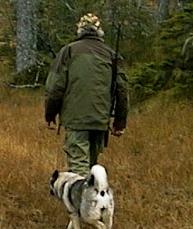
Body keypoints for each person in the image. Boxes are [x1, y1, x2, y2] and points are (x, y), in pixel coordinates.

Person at [44, 13, 129, 176]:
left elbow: (55, 88)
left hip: (76, 120)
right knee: (91, 166)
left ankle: (82, 198)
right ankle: (92, 198)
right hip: (100, 120)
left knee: (79, 167)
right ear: (100, 31)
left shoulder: (68, 51)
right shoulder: (112, 55)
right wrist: (120, 122)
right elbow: (122, 91)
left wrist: (50, 115)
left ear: (80, 30)